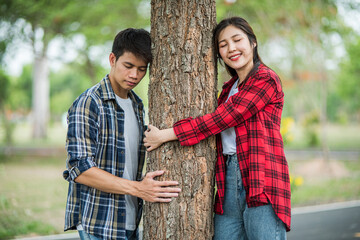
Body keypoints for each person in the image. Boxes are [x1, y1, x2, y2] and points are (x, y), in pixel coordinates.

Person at [144, 17, 291, 239]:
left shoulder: (266, 79)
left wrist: (165, 135)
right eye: (223, 45)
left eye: (237, 40)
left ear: (252, 42)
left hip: (261, 178)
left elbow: (221, 119)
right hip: (227, 181)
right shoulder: (228, 88)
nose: (231, 48)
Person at [63, 28, 181, 240]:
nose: (134, 75)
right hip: (99, 223)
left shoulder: (137, 104)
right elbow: (79, 169)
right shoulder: (89, 103)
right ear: (112, 59)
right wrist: (139, 189)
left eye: (141, 69)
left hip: (131, 221)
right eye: (128, 66)